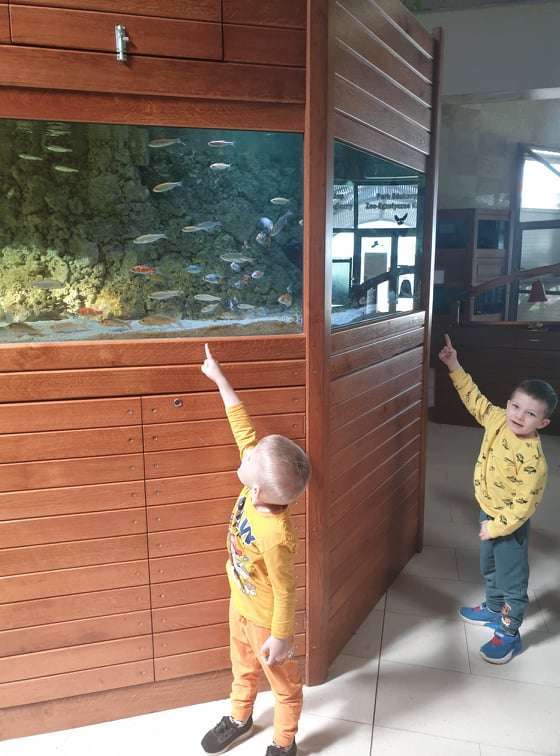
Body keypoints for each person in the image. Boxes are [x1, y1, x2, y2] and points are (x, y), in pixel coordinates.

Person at [199, 344, 310, 756]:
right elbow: (243, 428)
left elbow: (286, 590)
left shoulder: (275, 535)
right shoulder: (258, 485)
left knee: (285, 685)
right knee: (242, 667)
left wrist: (281, 636)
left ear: (258, 487)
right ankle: (240, 718)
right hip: (240, 602)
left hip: (266, 619)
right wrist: (219, 378)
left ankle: (284, 744)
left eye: (250, 459)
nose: (245, 454)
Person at [438, 334, 557, 664]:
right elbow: (473, 397)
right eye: (515, 406)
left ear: (543, 422)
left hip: (509, 526)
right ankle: (492, 608)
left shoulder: (533, 460)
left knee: (511, 579)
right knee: (488, 567)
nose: (518, 416)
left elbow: (524, 505)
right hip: (487, 511)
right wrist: (453, 364)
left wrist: (497, 527)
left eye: (530, 414)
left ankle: (509, 632)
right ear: (508, 403)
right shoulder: (497, 418)